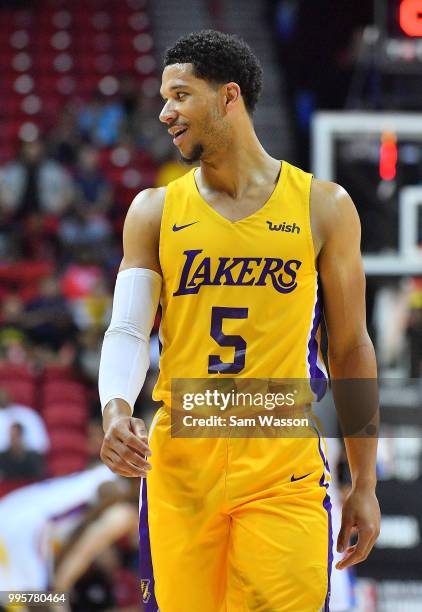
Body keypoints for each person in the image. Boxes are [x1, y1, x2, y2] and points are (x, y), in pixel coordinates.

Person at [99, 30, 380, 612]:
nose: (164, 111)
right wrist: (116, 408)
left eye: (180, 95)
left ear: (229, 97)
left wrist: (365, 483)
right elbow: (128, 329)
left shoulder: (323, 206)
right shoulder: (153, 211)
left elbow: (350, 347)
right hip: (182, 465)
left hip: (282, 460)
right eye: (162, 97)